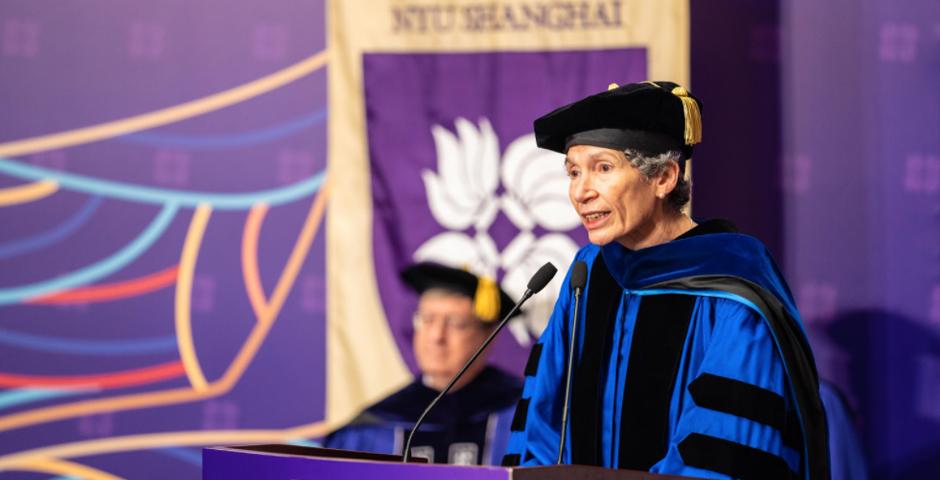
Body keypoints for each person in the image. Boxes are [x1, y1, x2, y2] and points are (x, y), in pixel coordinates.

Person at [501, 81, 830, 480]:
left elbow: (724, 453)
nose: (580, 191)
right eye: (573, 172)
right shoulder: (588, 275)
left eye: (602, 168)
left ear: (664, 178)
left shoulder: (732, 289)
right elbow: (543, 421)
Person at [324, 262, 522, 465]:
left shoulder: (521, 414)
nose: (436, 336)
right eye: (427, 320)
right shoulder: (375, 424)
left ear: (488, 336)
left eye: (455, 323)